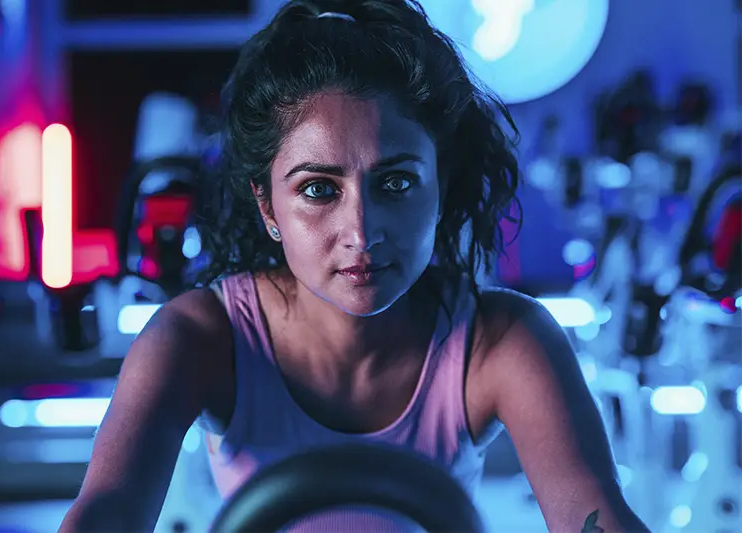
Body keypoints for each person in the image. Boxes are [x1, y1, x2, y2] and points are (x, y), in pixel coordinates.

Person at [60, 1, 650, 532]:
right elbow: (106, 512)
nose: (363, 233)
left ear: (440, 188)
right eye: (318, 190)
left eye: (395, 183)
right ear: (268, 207)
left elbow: (593, 516)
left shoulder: (502, 342)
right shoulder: (198, 335)